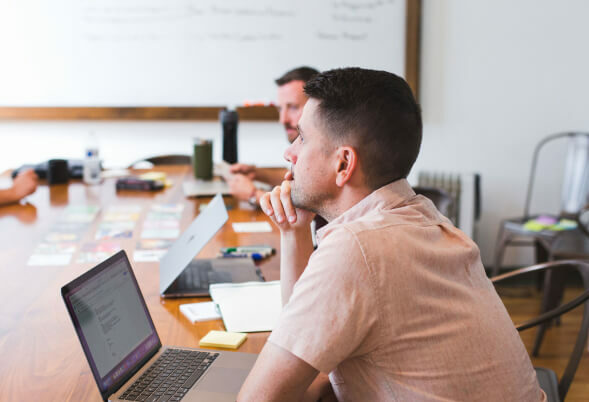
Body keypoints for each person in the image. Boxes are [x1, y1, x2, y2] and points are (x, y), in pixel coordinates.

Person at [238, 68, 545, 401]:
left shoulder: (356, 249)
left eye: (303, 138)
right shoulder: (425, 218)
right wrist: (295, 231)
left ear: (343, 164)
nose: (289, 152)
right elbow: (302, 344)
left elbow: (260, 398)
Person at [227, 66, 318, 206]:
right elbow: (297, 180)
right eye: (280, 109)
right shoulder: (305, 149)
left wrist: (253, 195)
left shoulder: (324, 150)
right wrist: (257, 173)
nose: (283, 119)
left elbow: (307, 208)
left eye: (293, 107)